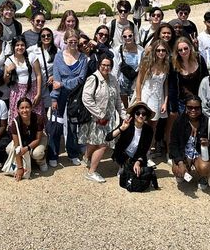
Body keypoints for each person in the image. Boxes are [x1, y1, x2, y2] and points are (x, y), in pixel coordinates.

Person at [80, 55, 126, 183]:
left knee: (96, 142)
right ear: (99, 65)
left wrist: (123, 115)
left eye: (108, 65)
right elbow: (86, 98)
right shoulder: (93, 79)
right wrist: (100, 114)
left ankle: (87, 158)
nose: (106, 67)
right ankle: (92, 172)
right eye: (103, 65)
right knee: (103, 145)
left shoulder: (113, 79)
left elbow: (117, 99)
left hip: (109, 119)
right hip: (96, 118)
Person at [49, 29, 88, 166]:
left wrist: (63, 84)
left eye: (75, 41)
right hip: (60, 95)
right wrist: (54, 98)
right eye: (70, 41)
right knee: (56, 124)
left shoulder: (83, 58)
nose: (72, 43)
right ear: (65, 41)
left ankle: (72, 153)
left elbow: (81, 79)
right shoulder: (59, 57)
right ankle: (53, 154)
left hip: (75, 95)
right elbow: (56, 81)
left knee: (72, 125)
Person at [170, 95, 210, 190]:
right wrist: (180, 162)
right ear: (185, 108)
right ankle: (182, 172)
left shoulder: (208, 123)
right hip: (184, 153)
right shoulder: (179, 122)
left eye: (196, 108)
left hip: (200, 155)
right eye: (190, 107)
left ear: (201, 108)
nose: (193, 110)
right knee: (176, 169)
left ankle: (203, 177)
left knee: (204, 168)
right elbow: (173, 145)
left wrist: (209, 143)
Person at [106, 102, 155, 178]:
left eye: (144, 114)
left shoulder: (148, 130)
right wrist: (121, 129)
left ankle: (132, 163)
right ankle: (122, 165)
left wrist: (138, 162)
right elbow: (108, 138)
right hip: (122, 153)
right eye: (138, 113)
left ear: (146, 116)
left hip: (137, 155)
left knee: (139, 173)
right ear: (134, 114)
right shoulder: (127, 124)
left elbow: (145, 149)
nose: (141, 116)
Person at [7, 98, 48, 180]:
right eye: (22, 108)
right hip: (23, 140)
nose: (25, 110)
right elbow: (16, 146)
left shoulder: (38, 119)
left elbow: (37, 139)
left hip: (37, 139)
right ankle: (22, 163)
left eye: (27, 107)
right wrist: (20, 168)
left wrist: (27, 148)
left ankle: (41, 161)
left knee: (37, 153)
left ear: (31, 108)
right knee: (9, 149)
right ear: (18, 110)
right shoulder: (15, 123)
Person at [4, 36, 43, 123]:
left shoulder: (32, 56)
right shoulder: (9, 60)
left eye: (22, 45)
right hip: (17, 91)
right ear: (13, 47)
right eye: (17, 45)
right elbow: (6, 81)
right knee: (18, 115)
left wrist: (39, 93)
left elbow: (38, 75)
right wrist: (8, 71)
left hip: (32, 89)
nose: (20, 47)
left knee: (34, 114)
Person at [113, 27, 143, 107]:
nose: (128, 38)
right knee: (123, 108)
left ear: (134, 36)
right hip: (122, 84)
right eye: (125, 36)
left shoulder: (141, 50)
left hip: (135, 84)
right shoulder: (118, 50)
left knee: (134, 107)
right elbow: (115, 69)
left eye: (130, 36)